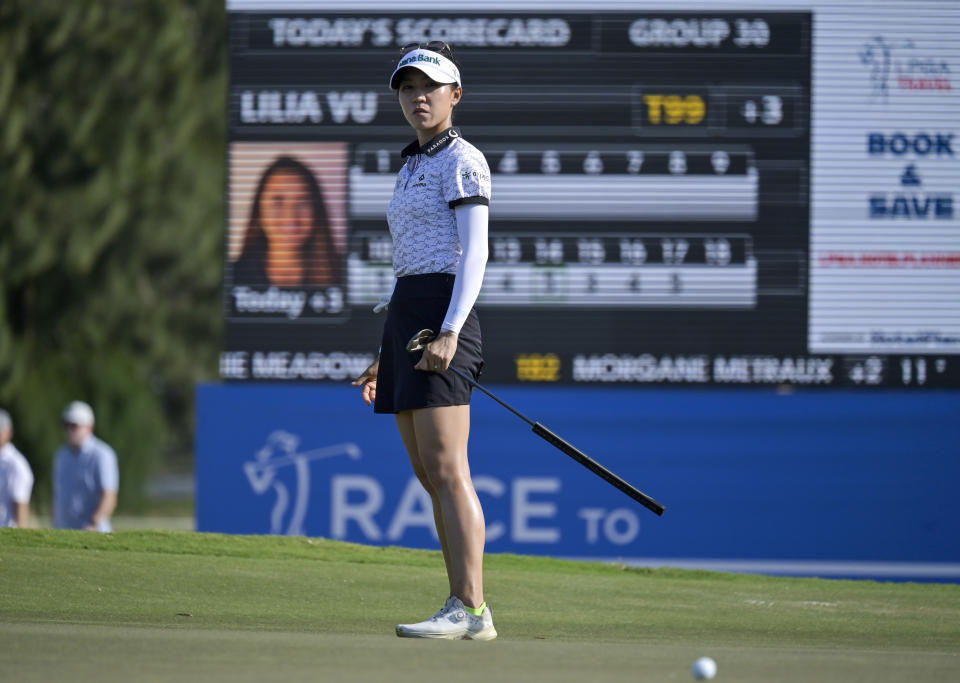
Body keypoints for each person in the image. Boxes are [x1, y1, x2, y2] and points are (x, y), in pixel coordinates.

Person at [352, 41, 495, 640]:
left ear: (455, 94)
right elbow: (409, 261)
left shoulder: (463, 158)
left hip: (443, 316)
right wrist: (382, 353)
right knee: (427, 473)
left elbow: (476, 252)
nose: (417, 98)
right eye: (407, 89)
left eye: (429, 87)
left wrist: (451, 330)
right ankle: (463, 605)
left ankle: (471, 607)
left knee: (447, 466)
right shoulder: (411, 162)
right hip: (408, 315)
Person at [233, 155, 344, 288]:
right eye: (278, 201)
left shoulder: (345, 274)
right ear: (259, 212)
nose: (290, 216)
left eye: (302, 202)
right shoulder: (234, 276)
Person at [53, 401, 119, 532]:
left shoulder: (102, 454)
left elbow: (109, 496)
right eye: (66, 425)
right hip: (63, 531)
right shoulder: (61, 455)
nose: (69, 430)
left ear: (89, 427)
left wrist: (94, 523)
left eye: (74, 426)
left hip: (93, 531)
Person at [0, 409, 34, 528]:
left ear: (9, 432)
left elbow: (21, 504)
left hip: (6, 531)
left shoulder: (17, 465)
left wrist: (20, 534)